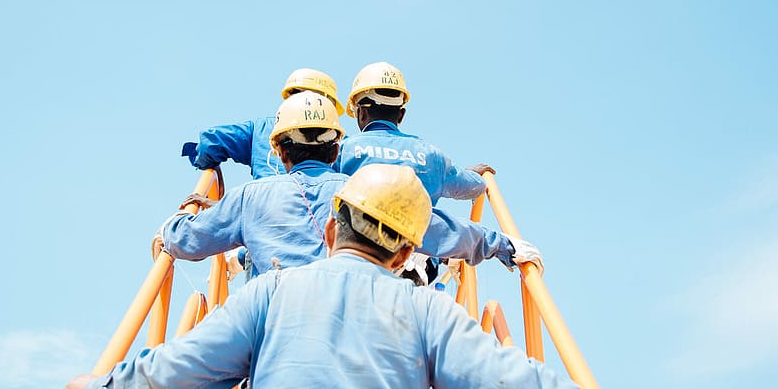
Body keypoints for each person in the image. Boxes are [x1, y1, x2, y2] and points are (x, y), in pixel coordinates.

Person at [59, 164, 640, 389]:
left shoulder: (269, 294)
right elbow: (504, 385)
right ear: (405, 253)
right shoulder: (428, 310)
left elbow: (178, 374)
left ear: (332, 229)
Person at [156, 91, 541, 280]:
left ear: (278, 148)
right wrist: (503, 245)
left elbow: (185, 241)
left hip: (275, 346)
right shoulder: (368, 192)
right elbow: (439, 228)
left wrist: (180, 219)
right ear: (336, 144)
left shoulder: (248, 198)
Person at [338, 61, 501, 283]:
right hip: (414, 260)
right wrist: (473, 174)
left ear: (360, 113)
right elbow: (473, 187)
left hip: (353, 262)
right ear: (401, 114)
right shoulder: (431, 155)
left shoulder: (343, 150)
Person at [181, 67, 345, 180]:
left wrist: (209, 166)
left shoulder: (259, 130)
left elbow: (210, 143)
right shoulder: (339, 142)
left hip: (261, 215)